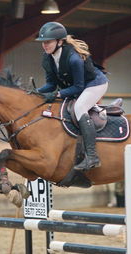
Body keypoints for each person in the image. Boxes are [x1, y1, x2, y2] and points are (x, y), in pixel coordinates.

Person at [35, 21, 109, 171]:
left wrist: (57, 94)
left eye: (48, 42)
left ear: (60, 41)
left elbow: (78, 87)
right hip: (76, 86)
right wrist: (35, 93)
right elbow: (51, 84)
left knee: (79, 108)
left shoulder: (74, 58)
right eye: (43, 42)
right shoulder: (47, 58)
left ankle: (92, 157)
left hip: (95, 84)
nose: (45, 45)